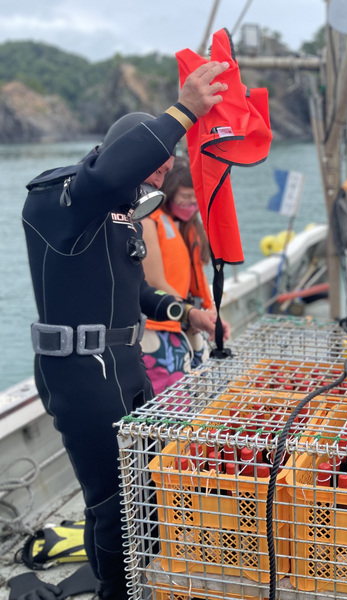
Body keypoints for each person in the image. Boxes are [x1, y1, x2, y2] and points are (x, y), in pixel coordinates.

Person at [21, 60, 231, 600]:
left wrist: (190, 313)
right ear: (122, 154)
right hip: (82, 373)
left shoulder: (120, 216)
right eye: (153, 167)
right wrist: (184, 110)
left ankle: (131, 581)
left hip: (126, 365)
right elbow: (111, 174)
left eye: (165, 173)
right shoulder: (60, 199)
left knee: (145, 492)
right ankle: (117, 590)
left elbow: (136, 292)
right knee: (114, 501)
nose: (158, 178)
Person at [140, 159, 230, 394]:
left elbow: (195, 277)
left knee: (201, 390)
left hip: (185, 321)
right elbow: (155, 283)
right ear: (168, 196)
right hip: (161, 324)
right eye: (184, 201)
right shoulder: (150, 221)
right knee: (171, 400)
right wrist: (192, 314)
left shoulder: (187, 228)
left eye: (194, 201)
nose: (190, 206)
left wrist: (209, 312)